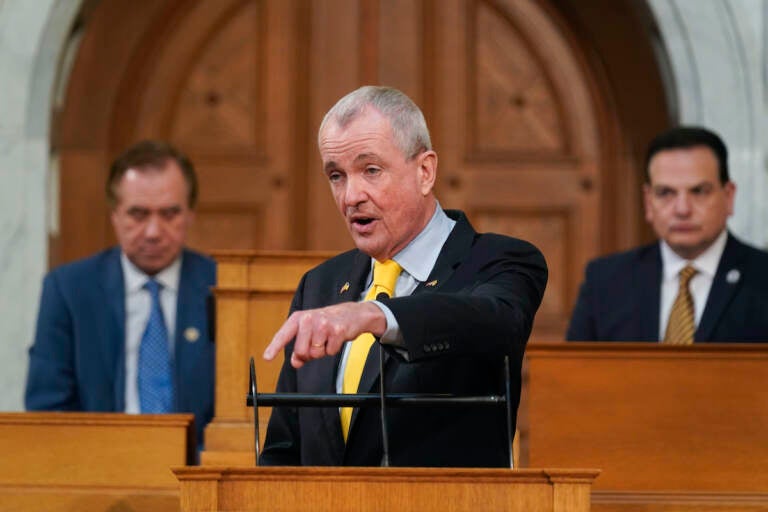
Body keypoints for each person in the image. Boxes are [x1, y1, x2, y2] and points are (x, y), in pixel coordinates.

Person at [259, 86, 547, 467]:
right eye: (336, 175)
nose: (350, 196)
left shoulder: (502, 260)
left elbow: (497, 319)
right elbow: (284, 450)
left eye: (371, 170)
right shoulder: (321, 285)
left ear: (425, 171)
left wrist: (376, 316)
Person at [25, 140, 216, 445]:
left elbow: (239, 416)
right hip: (97, 474)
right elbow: (48, 410)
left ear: (190, 214)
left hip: (199, 475)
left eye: (169, 214)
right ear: (115, 214)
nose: (153, 232)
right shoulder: (69, 290)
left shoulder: (222, 287)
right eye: (138, 215)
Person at [567, 126, 768, 342]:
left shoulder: (762, 277)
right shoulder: (606, 281)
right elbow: (574, 371)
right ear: (648, 201)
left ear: (728, 197)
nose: (682, 209)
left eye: (699, 191)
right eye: (665, 193)